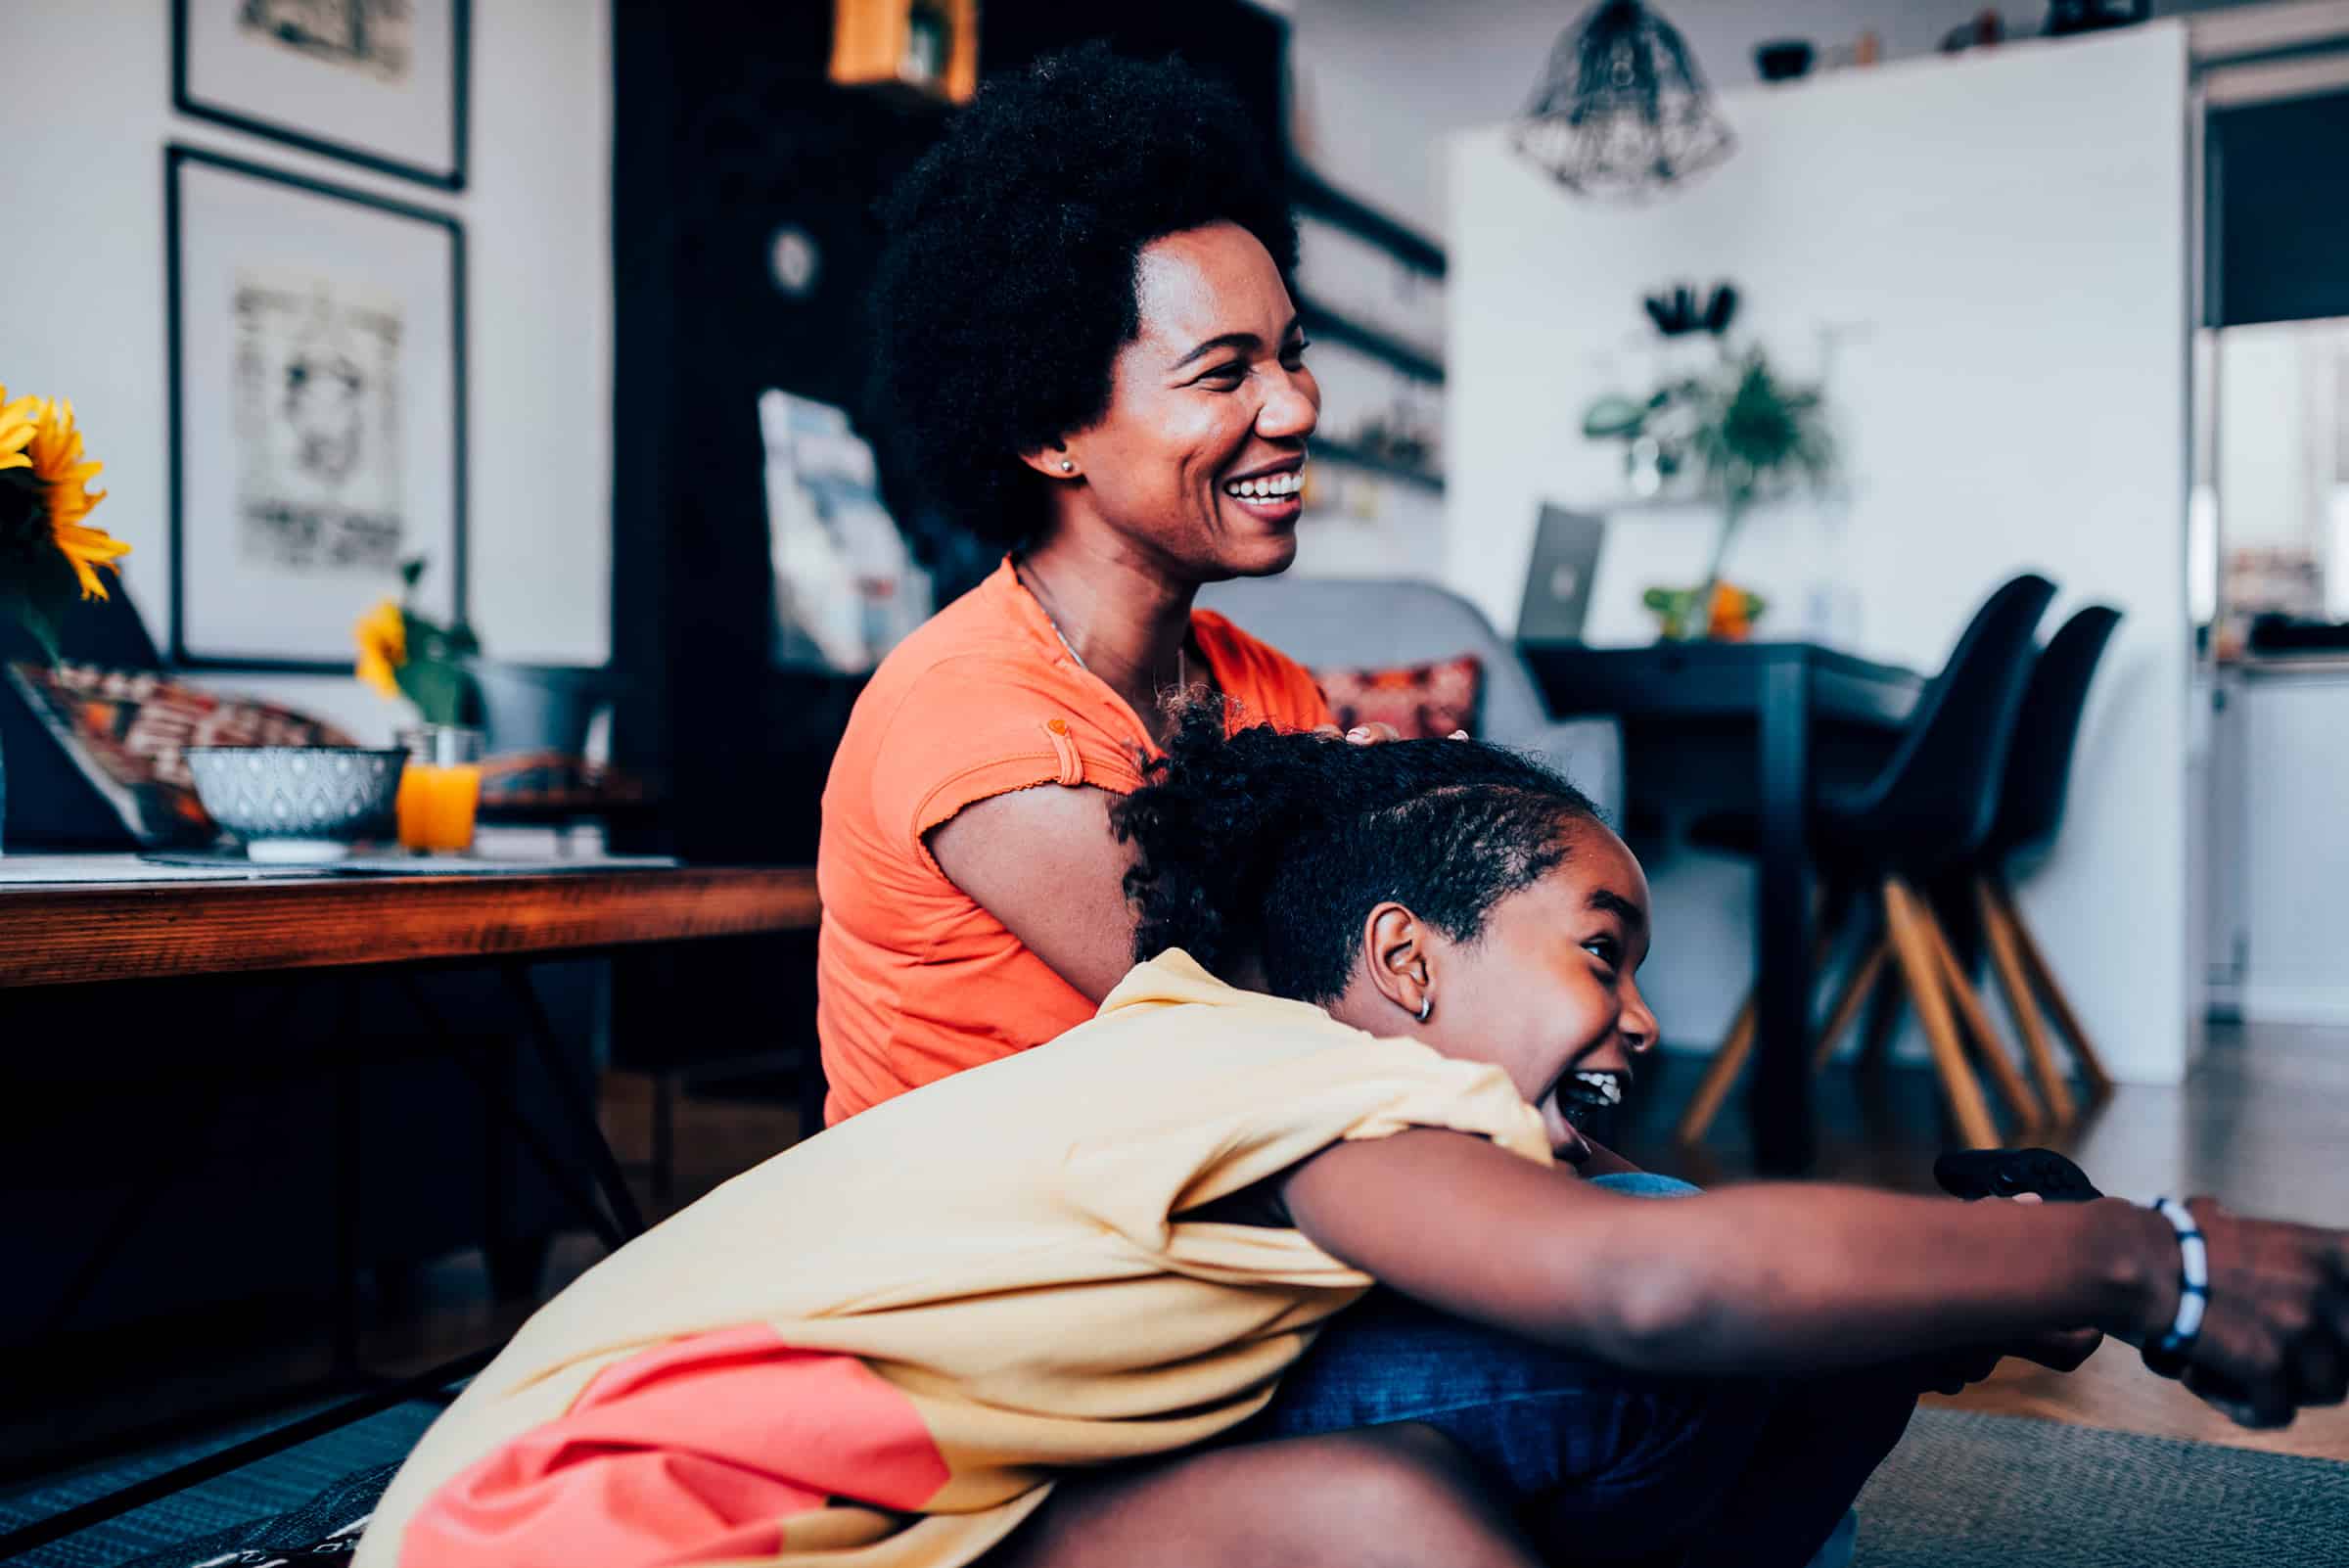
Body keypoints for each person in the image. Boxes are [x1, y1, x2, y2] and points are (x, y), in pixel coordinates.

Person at [357, 717, 2349, 1568]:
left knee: (1387, 1495)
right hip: (595, 1537)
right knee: (1589, 1324)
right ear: (1401, 964)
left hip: (786, 1523)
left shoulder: (1204, 1059)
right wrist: (2144, 1263)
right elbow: (1647, 1286)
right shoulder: (1291, 1083)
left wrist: (1913, 1313)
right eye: (1601, 953)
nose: (1645, 1020)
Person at [821, 44, 1405, 1124]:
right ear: (1051, 428)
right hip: (998, 1266)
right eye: (1226, 371)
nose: (1296, 407)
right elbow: (1281, 1028)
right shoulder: (972, 722)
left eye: (1293, 353)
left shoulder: (1264, 689)